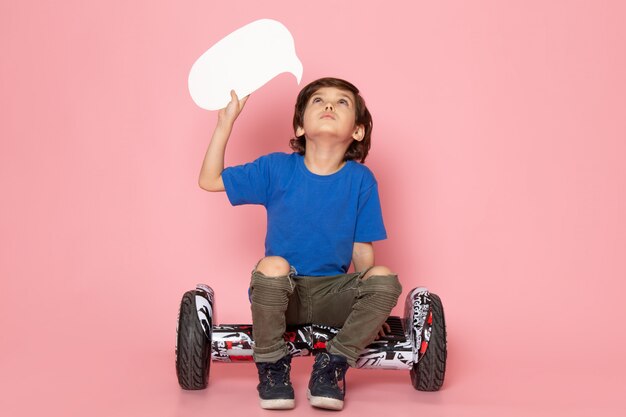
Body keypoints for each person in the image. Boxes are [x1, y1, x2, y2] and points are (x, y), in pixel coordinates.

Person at [198, 77, 402, 410]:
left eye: (342, 103)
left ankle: (333, 364)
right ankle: (272, 366)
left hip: (334, 296)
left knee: (382, 276)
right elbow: (209, 180)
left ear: (358, 131)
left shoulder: (361, 179)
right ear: (299, 125)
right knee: (273, 264)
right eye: (319, 101)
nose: (329, 106)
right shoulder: (276, 168)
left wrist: (371, 309)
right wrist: (225, 123)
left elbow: (362, 250)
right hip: (282, 294)